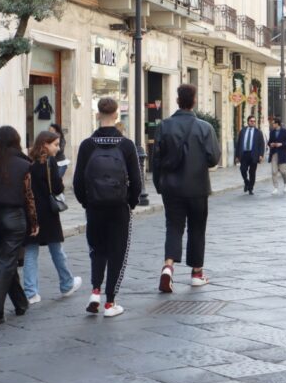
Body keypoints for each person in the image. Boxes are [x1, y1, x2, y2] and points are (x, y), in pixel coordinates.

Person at [73, 97, 142, 317]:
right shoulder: (126, 145)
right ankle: (110, 303)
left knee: (97, 250)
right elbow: (137, 181)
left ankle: (95, 291)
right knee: (117, 252)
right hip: (119, 206)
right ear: (116, 116)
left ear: (97, 115)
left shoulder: (87, 145)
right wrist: (129, 203)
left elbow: (77, 182)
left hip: (94, 207)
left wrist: (87, 202)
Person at [152, 84, 221, 292]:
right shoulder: (205, 128)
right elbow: (213, 158)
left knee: (173, 227)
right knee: (197, 229)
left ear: (177, 101)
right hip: (197, 188)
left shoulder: (164, 126)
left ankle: (168, 267)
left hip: (171, 188)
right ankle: (197, 273)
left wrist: (158, 184)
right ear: (194, 101)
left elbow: (156, 159)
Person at [0, 126, 38, 326]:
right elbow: (29, 197)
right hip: (14, 217)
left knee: (5, 260)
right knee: (6, 262)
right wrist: (34, 222)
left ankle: (21, 302)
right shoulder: (24, 165)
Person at [24, 130, 81, 304]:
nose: (57, 148)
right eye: (55, 144)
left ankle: (31, 292)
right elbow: (57, 188)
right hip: (48, 213)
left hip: (31, 212)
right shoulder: (49, 163)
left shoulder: (28, 163)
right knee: (57, 250)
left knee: (31, 252)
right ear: (45, 145)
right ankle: (66, 283)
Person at [234, 115, 265, 195]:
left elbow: (262, 144)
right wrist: (237, 156)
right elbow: (238, 144)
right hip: (244, 154)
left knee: (252, 172)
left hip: (253, 154)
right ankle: (246, 182)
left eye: (254, 121)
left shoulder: (258, 132)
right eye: (251, 121)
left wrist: (261, 155)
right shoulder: (243, 131)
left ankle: (250, 188)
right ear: (248, 122)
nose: (253, 122)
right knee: (243, 169)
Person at [267, 116, 286, 195]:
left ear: (277, 124)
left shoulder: (285, 131)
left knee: (283, 171)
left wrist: (281, 144)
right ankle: (275, 187)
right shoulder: (272, 132)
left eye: (273, 123)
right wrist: (270, 144)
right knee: (274, 171)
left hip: (282, 153)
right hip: (274, 153)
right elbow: (269, 142)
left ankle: (285, 183)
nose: (272, 125)